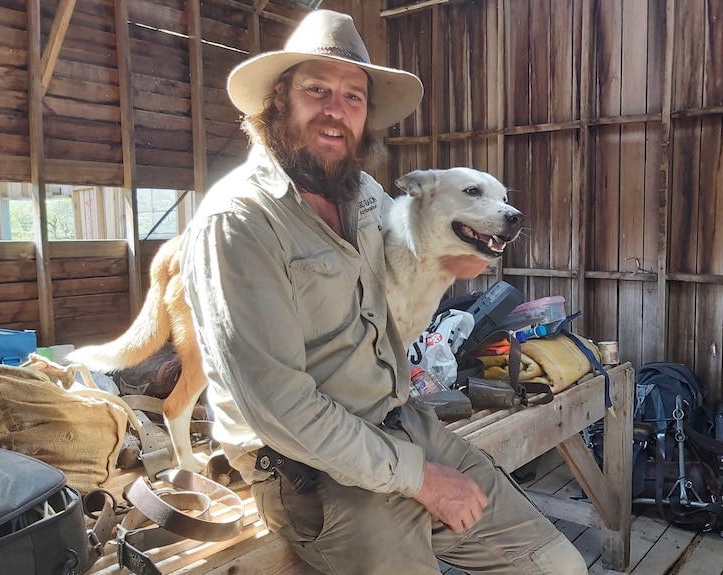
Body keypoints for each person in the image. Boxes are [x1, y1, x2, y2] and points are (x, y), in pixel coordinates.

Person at [180, 9, 587, 575]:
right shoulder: (239, 223)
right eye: (317, 90)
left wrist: (444, 266)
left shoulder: (363, 193)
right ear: (278, 100)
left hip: (396, 419)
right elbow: (280, 409)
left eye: (353, 96)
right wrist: (420, 478)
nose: (335, 111)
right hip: (306, 466)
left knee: (557, 567)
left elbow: (393, 297)